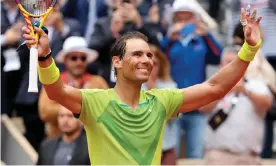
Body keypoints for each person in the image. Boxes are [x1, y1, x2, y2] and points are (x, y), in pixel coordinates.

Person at [22, 6, 263, 164]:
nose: (147, 60)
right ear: (116, 61)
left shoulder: (161, 100)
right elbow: (57, 91)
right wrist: (45, 57)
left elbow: (215, 88)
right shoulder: (95, 101)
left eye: (149, 55)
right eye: (137, 54)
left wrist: (249, 49)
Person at [161, 0, 223, 158]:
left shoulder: (201, 41)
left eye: (187, 18)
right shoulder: (169, 42)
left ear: (195, 19)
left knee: (196, 154)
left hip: (198, 104)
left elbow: (219, 57)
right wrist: (169, 38)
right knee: (169, 153)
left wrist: (206, 34)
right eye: (179, 19)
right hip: (173, 105)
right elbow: (156, 58)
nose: (183, 23)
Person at [200, 46, 273, 165]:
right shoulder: (210, 86)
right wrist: (223, 91)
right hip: (218, 155)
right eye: (228, 62)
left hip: (249, 157)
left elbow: (267, 104)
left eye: (236, 63)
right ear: (220, 64)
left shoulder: (256, 85)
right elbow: (202, 108)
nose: (231, 66)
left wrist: (245, 90)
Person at [38, 36, 109, 138]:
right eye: (74, 58)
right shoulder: (53, 81)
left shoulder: (98, 81)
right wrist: (80, 107)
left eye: (83, 58)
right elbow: (44, 111)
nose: (79, 62)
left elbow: (108, 108)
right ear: (65, 60)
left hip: (92, 140)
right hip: (58, 139)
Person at [141, 44, 178, 164]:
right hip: (140, 149)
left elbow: (174, 115)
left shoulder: (170, 86)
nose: (150, 66)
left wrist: (153, 89)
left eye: (155, 63)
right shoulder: (131, 87)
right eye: (146, 63)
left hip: (166, 147)